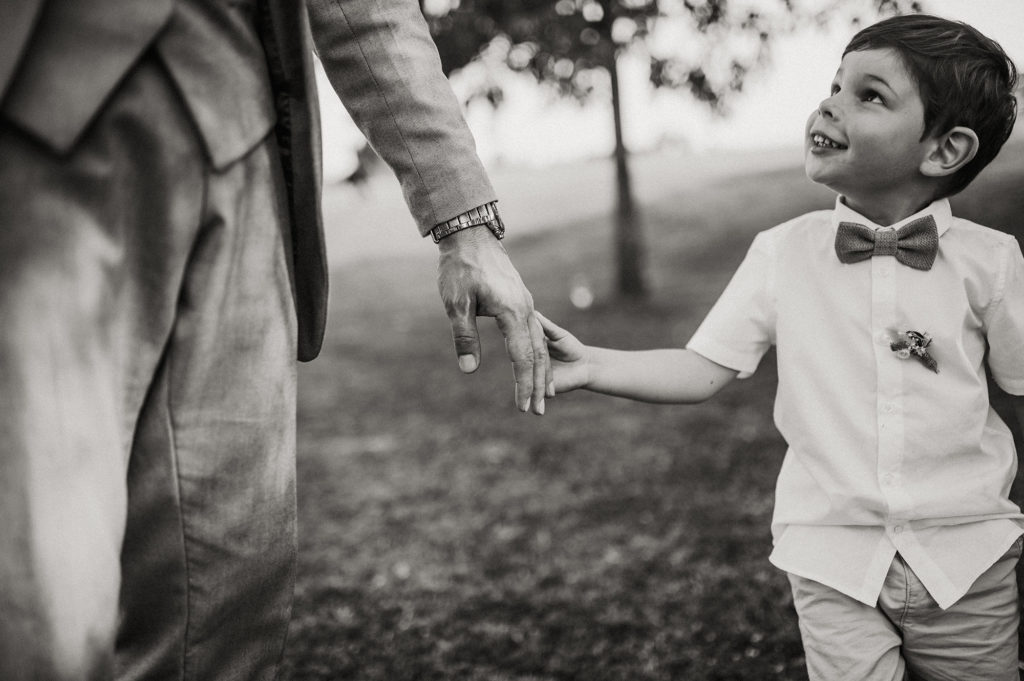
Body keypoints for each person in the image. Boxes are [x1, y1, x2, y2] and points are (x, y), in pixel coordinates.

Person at [0, 1, 549, 679]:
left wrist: (463, 223)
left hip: (245, 127)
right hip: (37, 106)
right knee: (39, 606)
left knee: (232, 590)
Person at [538, 14, 1024, 681]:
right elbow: (703, 365)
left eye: (869, 95)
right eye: (833, 86)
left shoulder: (991, 263)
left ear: (943, 150)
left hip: (967, 554)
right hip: (831, 557)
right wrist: (595, 363)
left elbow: (1020, 387)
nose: (829, 104)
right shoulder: (781, 253)